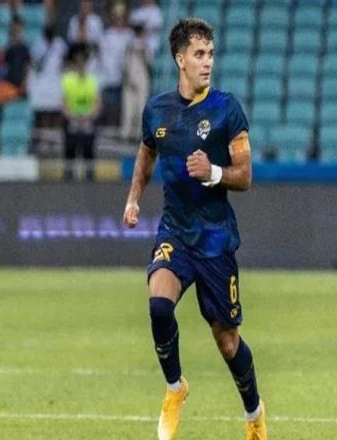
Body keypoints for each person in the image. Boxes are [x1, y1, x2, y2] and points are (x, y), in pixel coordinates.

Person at [122, 18, 267, 440]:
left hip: (215, 239)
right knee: (158, 305)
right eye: (199, 54)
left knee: (228, 343)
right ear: (179, 59)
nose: (207, 62)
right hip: (175, 232)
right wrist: (133, 199)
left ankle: (255, 415)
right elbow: (147, 152)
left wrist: (213, 172)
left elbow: (246, 176)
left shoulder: (226, 108)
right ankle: (175, 389)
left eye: (211, 54)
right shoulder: (157, 110)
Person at [61, 45, 100, 181]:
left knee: (88, 141)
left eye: (82, 63)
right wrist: (73, 117)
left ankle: (90, 172)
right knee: (70, 142)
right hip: (72, 116)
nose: (80, 66)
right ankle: (68, 172)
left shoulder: (92, 80)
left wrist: (88, 117)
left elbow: (97, 103)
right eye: (78, 63)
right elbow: (64, 103)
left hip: (87, 117)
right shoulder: (68, 80)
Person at [120, 23, 150, 142]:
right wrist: (126, 79)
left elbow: (149, 63)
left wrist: (143, 50)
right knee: (128, 108)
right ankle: (126, 134)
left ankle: (138, 134)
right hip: (130, 79)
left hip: (142, 79)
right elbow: (125, 65)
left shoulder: (146, 45)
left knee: (140, 108)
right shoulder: (129, 46)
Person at [3, 16, 31, 96]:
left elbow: (27, 66)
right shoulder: (7, 45)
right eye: (14, 27)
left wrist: (24, 83)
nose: (16, 30)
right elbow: (3, 64)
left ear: (21, 29)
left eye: (18, 28)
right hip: (8, 82)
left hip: (20, 82)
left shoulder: (24, 46)